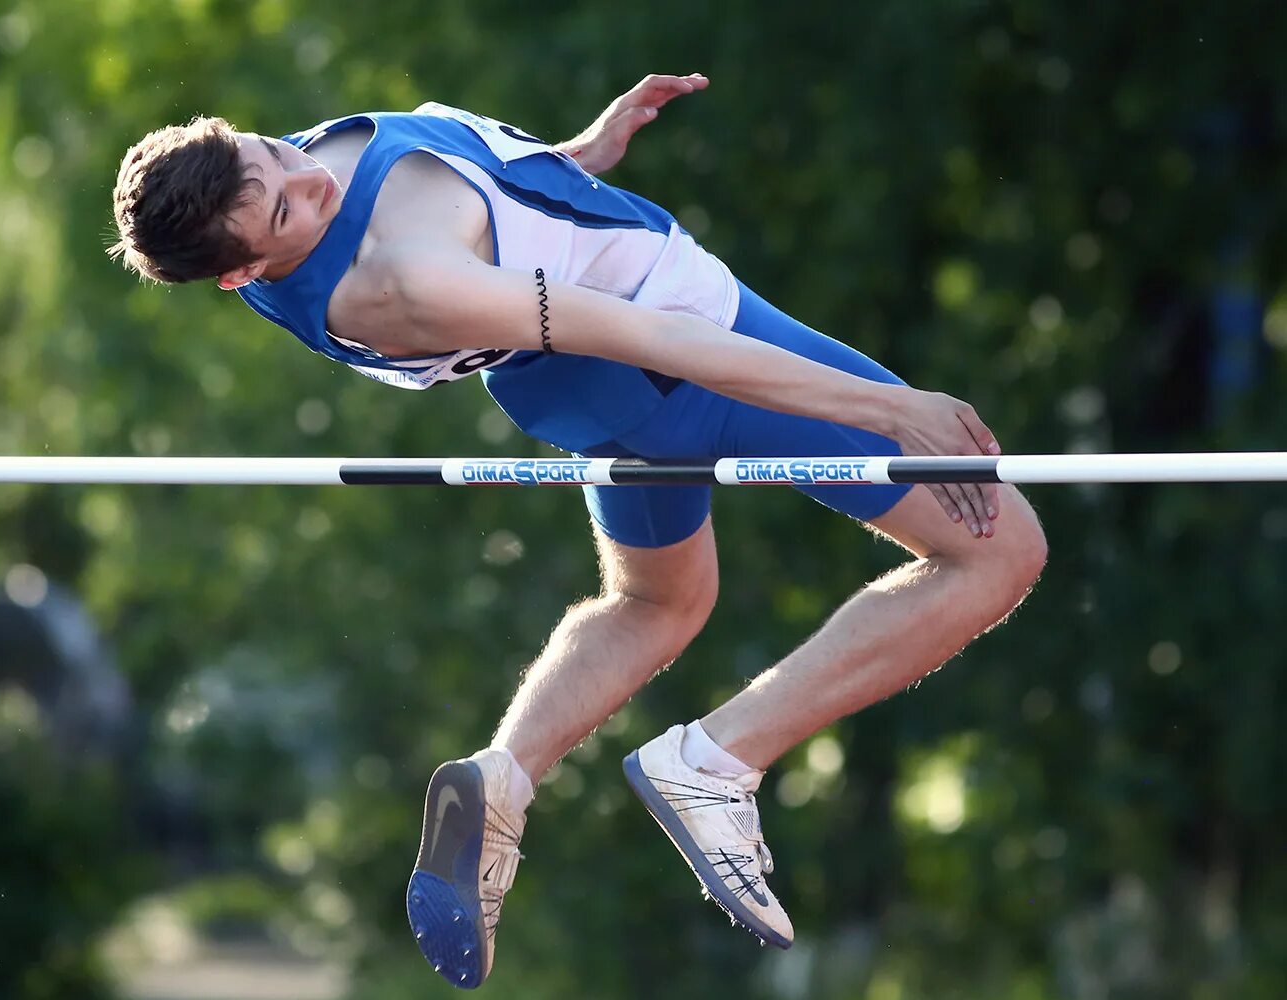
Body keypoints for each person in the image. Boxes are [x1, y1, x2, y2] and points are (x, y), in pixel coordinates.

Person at [109, 73, 1048, 990]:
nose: (312, 179)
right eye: (287, 214)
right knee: (1001, 549)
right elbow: (650, 335)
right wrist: (890, 410)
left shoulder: (276, 201)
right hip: (675, 350)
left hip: (575, 393)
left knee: (655, 602)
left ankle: (504, 779)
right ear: (239, 275)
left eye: (274, 154)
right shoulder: (407, 282)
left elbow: (477, 207)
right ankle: (718, 760)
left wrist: (561, 167)